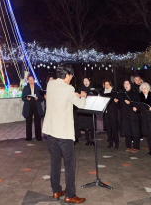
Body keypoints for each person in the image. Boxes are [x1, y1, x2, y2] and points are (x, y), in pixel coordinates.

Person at [42, 65, 87, 204]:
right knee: (69, 163)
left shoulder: (50, 84)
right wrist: (83, 97)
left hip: (51, 131)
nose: (71, 79)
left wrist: (74, 96)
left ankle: (56, 190)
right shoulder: (69, 89)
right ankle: (70, 194)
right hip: (63, 133)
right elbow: (80, 105)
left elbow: (61, 98)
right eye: (71, 76)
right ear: (67, 75)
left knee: (55, 161)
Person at [119, 80, 141, 152]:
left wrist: (130, 103)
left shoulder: (135, 93)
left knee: (134, 130)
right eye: (125, 84)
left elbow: (138, 103)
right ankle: (128, 146)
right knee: (126, 130)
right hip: (125, 114)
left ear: (130, 85)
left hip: (133, 114)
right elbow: (119, 106)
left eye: (128, 84)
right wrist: (116, 101)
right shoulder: (121, 93)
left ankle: (136, 146)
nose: (126, 85)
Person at [22, 75, 45, 141]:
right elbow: (23, 97)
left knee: (37, 121)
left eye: (32, 79)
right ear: (28, 81)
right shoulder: (26, 88)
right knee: (28, 121)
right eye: (29, 80)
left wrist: (38, 98)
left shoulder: (38, 87)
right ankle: (28, 137)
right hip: (28, 106)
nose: (31, 81)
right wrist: (27, 98)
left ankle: (38, 137)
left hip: (36, 105)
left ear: (34, 80)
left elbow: (42, 97)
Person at [101, 79, 119, 149]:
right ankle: (110, 142)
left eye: (108, 84)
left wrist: (115, 101)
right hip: (106, 113)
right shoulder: (102, 92)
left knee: (114, 128)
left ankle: (116, 143)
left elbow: (117, 103)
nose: (106, 86)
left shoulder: (114, 92)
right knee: (108, 128)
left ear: (110, 84)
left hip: (113, 112)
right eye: (105, 85)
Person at [77, 77, 95, 146]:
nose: (86, 82)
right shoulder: (81, 89)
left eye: (87, 81)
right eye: (84, 81)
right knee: (85, 126)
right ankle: (87, 140)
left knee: (91, 125)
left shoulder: (92, 89)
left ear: (89, 81)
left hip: (91, 109)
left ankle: (93, 140)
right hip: (84, 109)